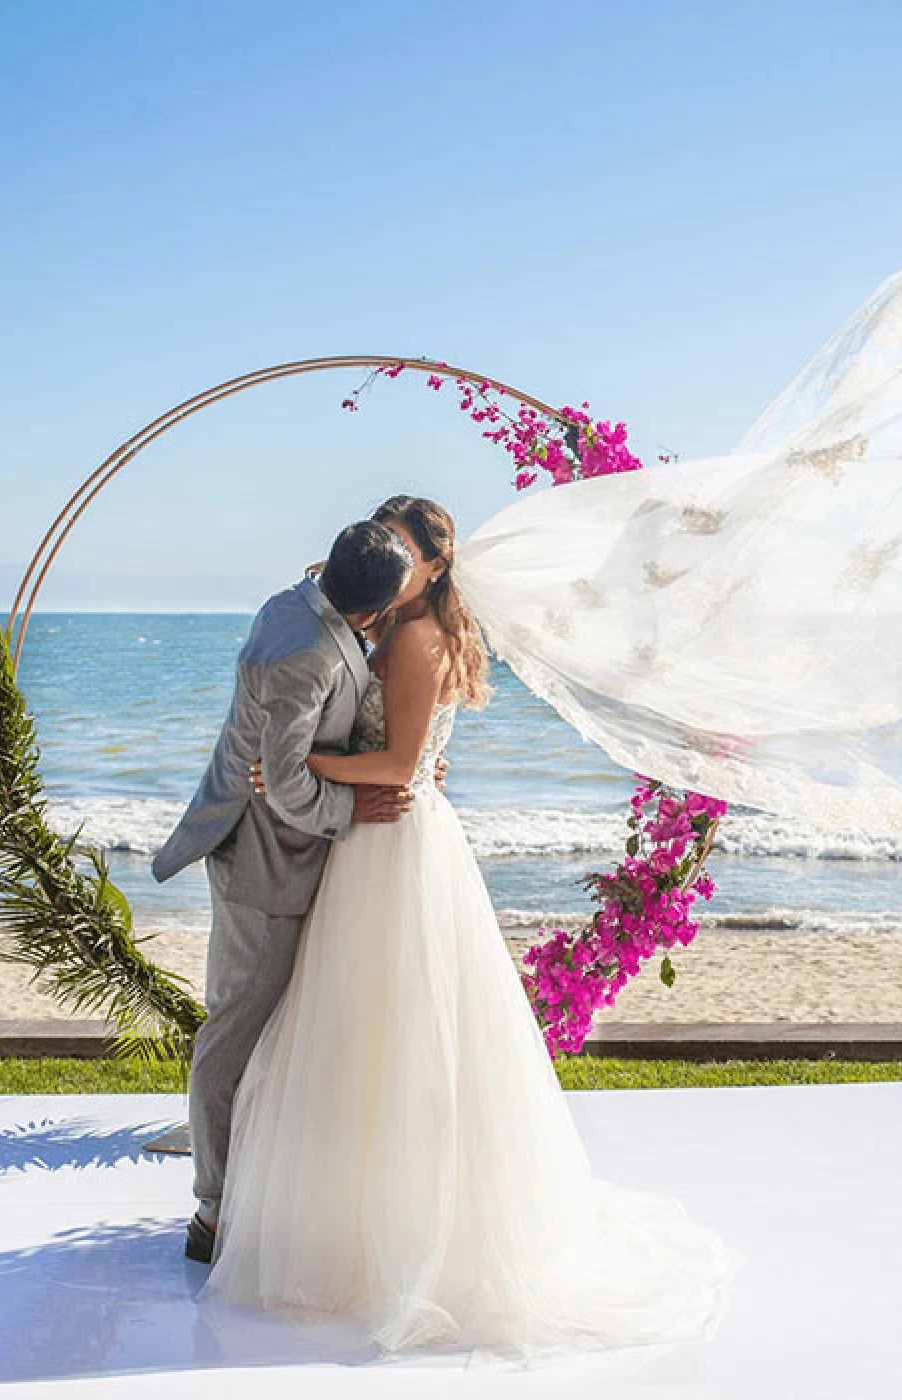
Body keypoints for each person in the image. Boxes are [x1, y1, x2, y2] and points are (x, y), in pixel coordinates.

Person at [197, 495, 740, 1362]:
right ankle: (334, 1210)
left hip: (391, 838)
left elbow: (401, 764)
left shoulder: (412, 636)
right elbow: (404, 739)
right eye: (385, 545)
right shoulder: (390, 619)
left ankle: (383, 1233)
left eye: (407, 551)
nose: (392, 558)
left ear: (438, 569)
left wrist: (296, 768)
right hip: (377, 833)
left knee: (392, 1032)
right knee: (361, 1035)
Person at [149, 519, 421, 1267]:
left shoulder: (300, 604)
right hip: (262, 866)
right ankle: (212, 1212)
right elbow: (284, 782)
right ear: (370, 613)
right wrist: (355, 807)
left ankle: (265, 1189)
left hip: (297, 860)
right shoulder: (300, 654)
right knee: (233, 1036)